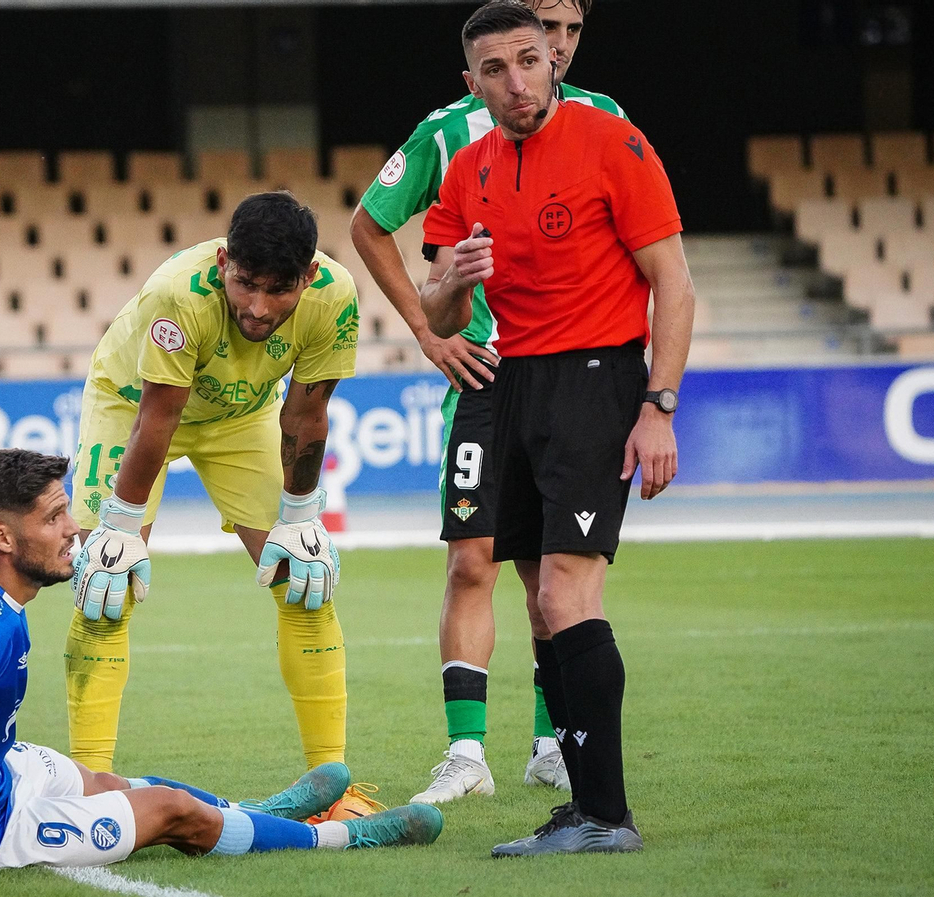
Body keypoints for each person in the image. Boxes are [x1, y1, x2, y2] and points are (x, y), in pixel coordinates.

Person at [0, 449, 441, 892]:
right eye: (55, 517)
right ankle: (338, 837)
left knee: (105, 783)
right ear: (3, 537)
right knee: (171, 811)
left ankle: (257, 814)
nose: (72, 530)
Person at [418, 0, 695, 856]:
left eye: (530, 60)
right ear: (473, 85)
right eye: (495, 71)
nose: (518, 82)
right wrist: (456, 282)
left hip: (595, 379)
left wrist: (658, 405)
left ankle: (607, 814)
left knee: (569, 592)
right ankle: (581, 805)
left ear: (553, 60)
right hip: (513, 384)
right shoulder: (468, 171)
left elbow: (673, 284)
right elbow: (436, 303)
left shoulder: (615, 142)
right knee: (541, 602)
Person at [350, 0, 624, 805]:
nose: (560, 49)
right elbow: (371, 225)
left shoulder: (605, 121)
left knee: (551, 576)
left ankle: (552, 741)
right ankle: (467, 752)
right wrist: (429, 334)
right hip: (487, 377)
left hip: (572, 377)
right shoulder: (450, 134)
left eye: (570, 33)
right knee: (472, 556)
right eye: (547, 33)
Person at [64, 193, 359, 792]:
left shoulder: (336, 297)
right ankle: (87, 787)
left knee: (305, 580)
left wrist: (301, 514)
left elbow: (307, 415)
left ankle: (333, 785)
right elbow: (158, 417)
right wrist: (120, 526)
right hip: (132, 406)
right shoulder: (177, 295)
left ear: (309, 277)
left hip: (243, 415)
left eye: (279, 290)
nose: (257, 307)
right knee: (105, 584)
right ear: (223, 262)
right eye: (245, 284)